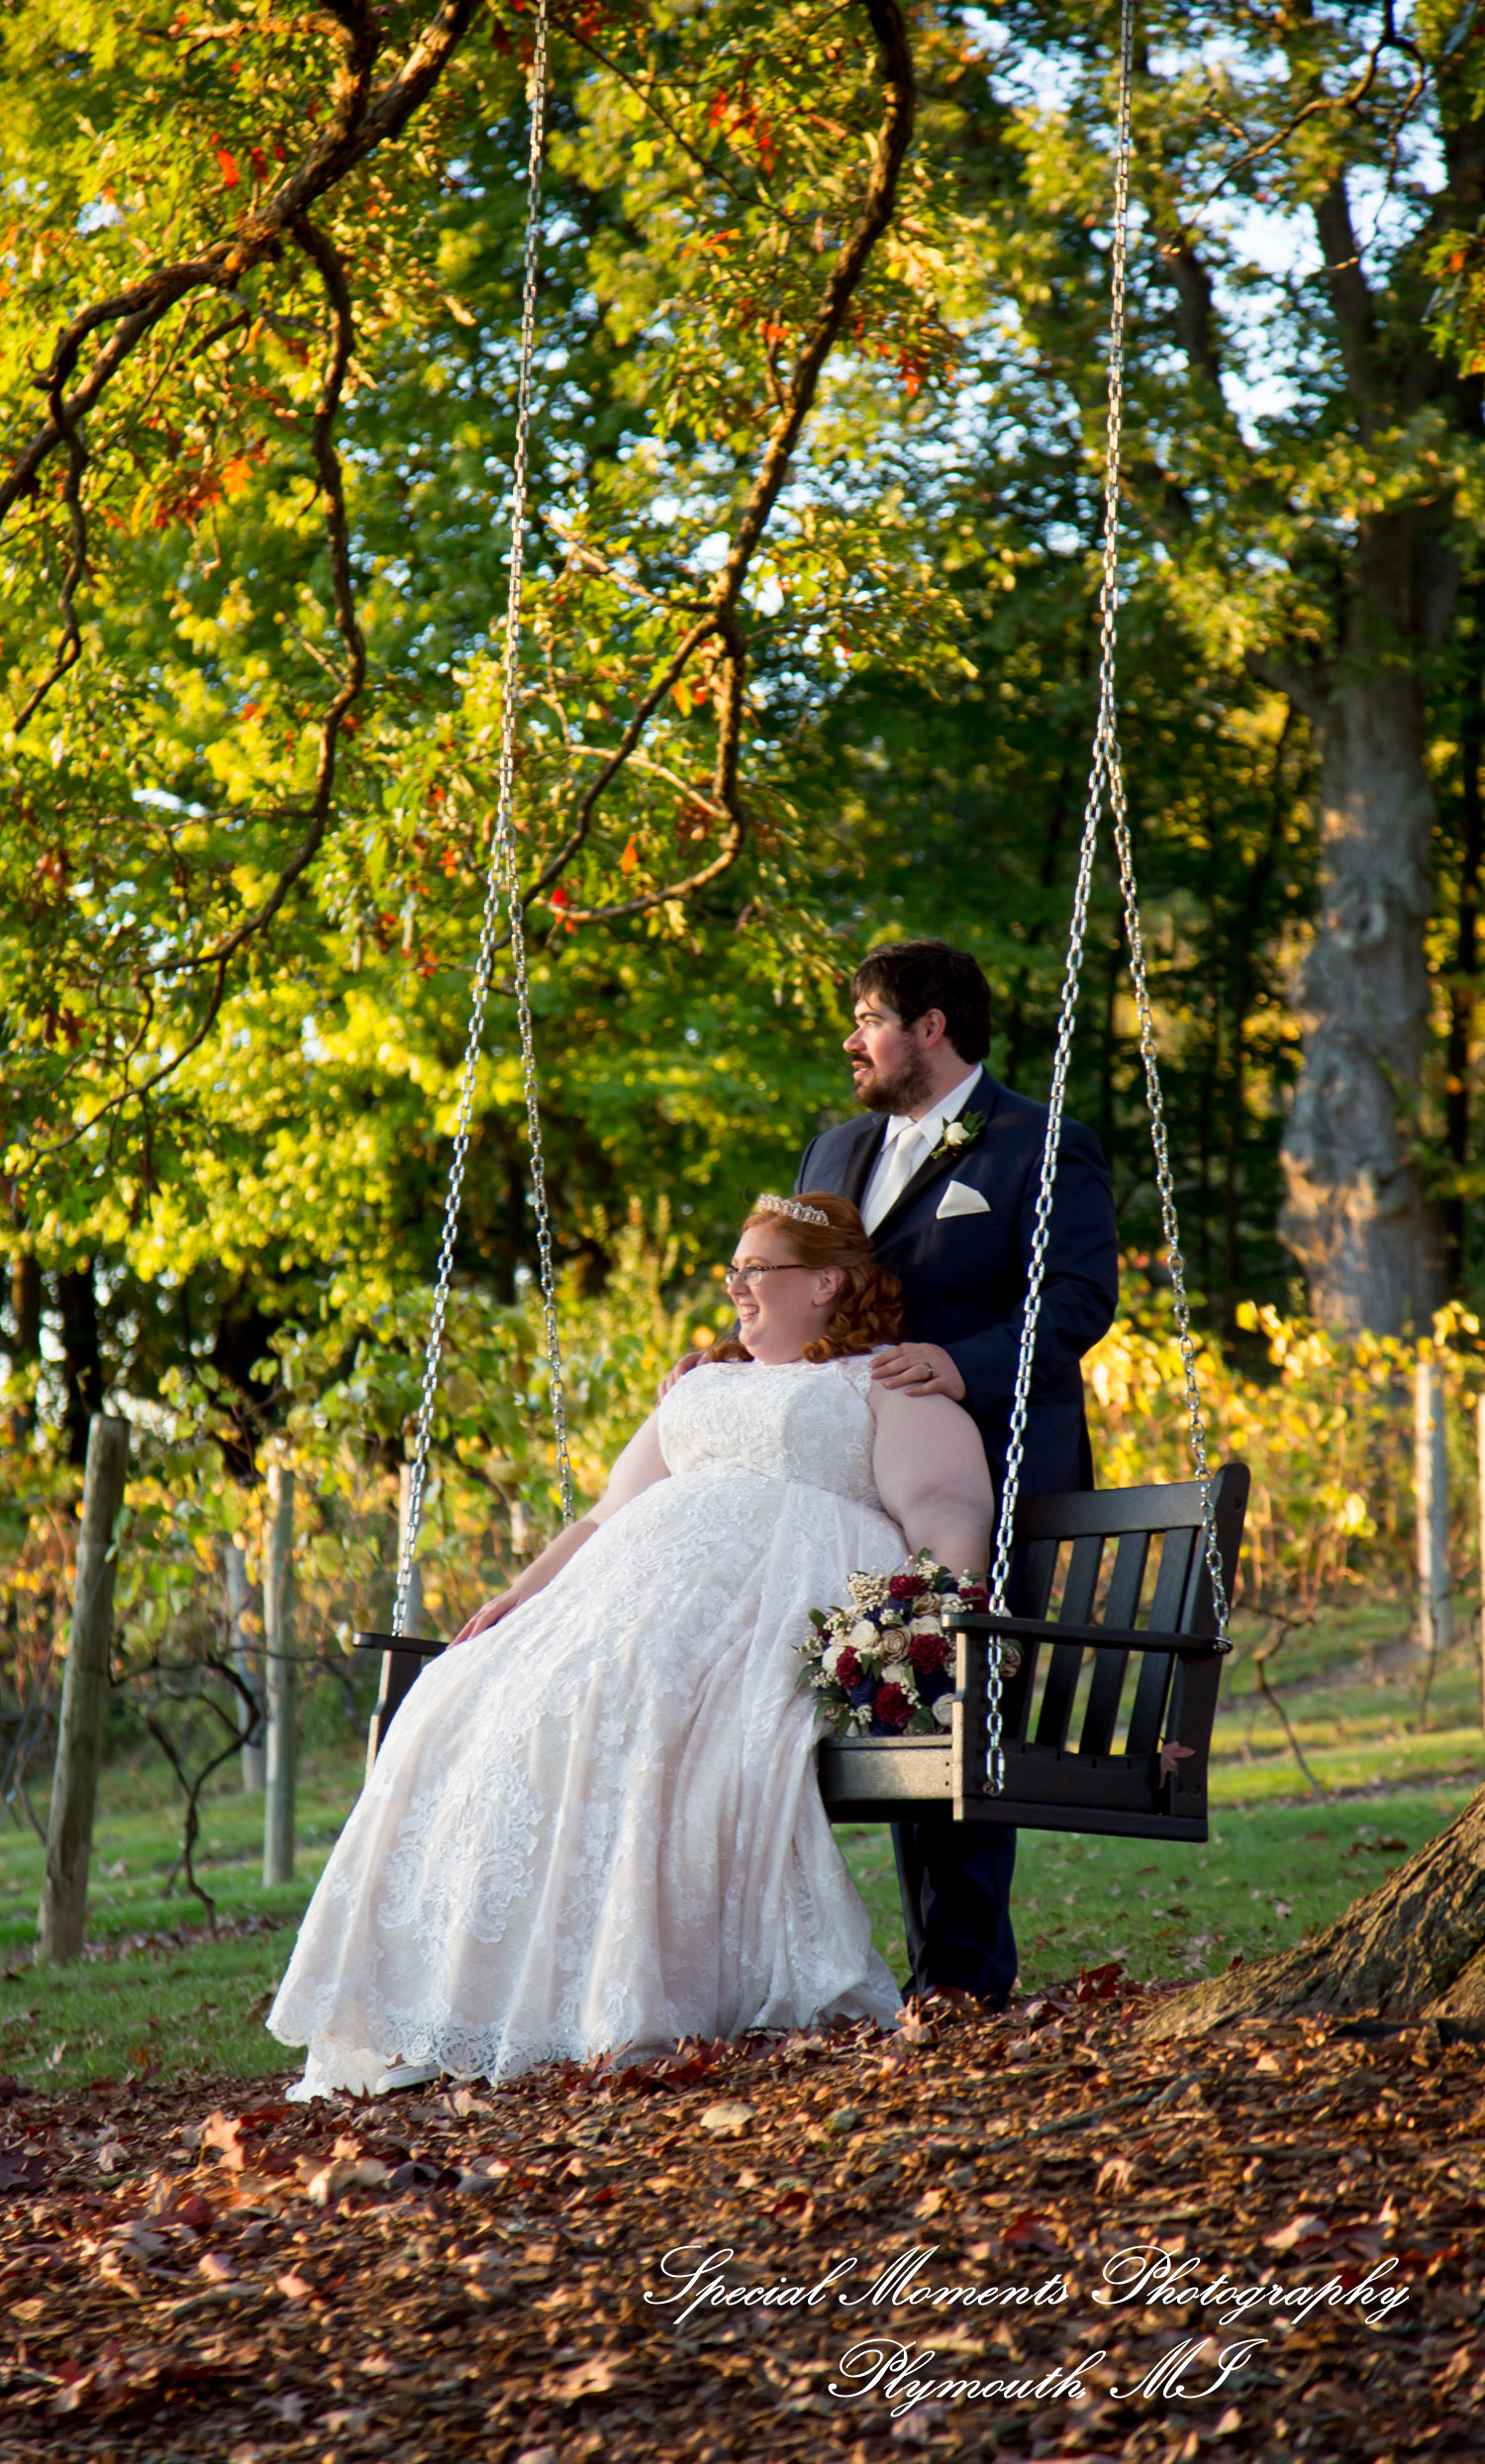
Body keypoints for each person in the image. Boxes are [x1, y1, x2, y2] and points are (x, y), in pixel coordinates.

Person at [267, 1192, 993, 2095]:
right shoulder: (701, 1381)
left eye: (753, 1269)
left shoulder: (879, 1384)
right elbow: (609, 1514)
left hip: (756, 1604)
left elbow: (947, 1509)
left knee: (648, 1691)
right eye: (730, 1270)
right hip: (627, 1593)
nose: (734, 1286)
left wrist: (929, 1624)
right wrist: (519, 1594)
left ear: (825, 1282)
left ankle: (631, 1991)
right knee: (473, 1694)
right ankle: (477, 2002)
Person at [799, 938, 1120, 2013]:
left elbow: (1075, 1304)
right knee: (884, 1698)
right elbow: (803, 1301)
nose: (853, 1038)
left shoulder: (1041, 1144)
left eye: (870, 1017)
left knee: (960, 1697)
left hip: (991, 1462)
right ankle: (905, 1970)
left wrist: (961, 1364)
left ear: (931, 1025)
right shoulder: (835, 1149)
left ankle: (962, 1977)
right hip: (848, 1481)